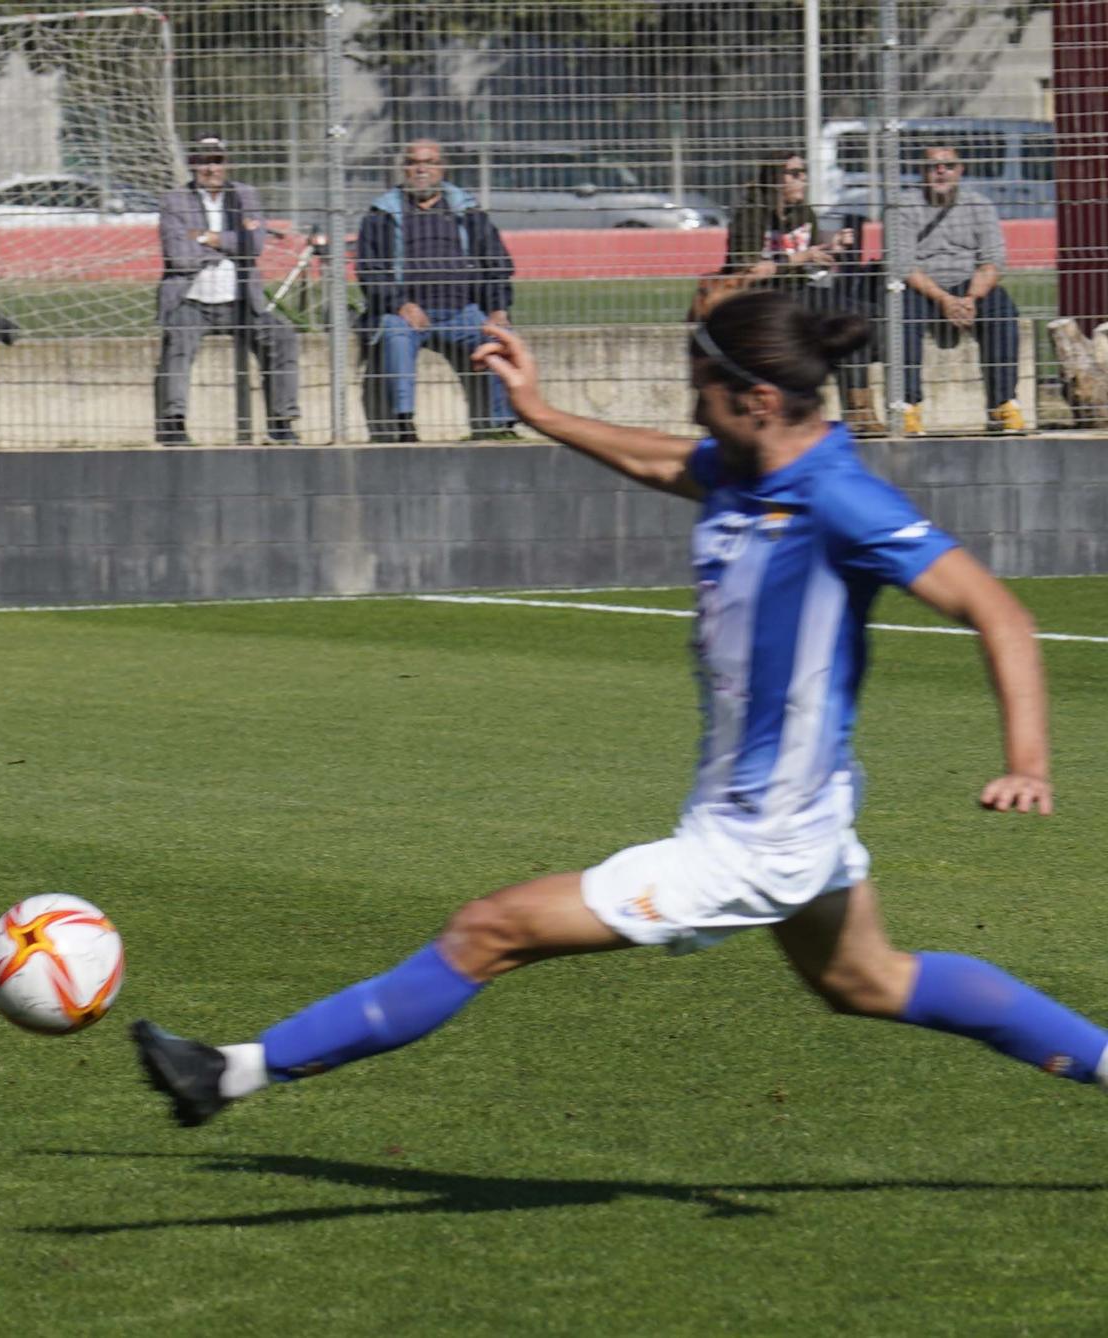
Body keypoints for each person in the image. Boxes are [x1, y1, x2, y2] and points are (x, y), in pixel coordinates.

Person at [134, 288, 1104, 1134]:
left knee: (486, 930)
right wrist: (540, 412)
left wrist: (1027, 760)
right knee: (867, 981)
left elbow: (997, 611)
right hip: (791, 815)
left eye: (700, 391)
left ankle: (229, 1073)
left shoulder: (836, 499)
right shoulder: (746, 466)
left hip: (753, 843)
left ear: (758, 401)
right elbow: (659, 463)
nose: (689, 410)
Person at [707, 152, 883, 437]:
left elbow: (809, 257)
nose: (802, 180)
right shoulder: (752, 213)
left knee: (853, 317)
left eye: (803, 173)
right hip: (758, 299)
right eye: (794, 174)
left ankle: (859, 408)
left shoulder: (804, 213)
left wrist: (831, 248)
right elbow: (749, 272)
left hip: (798, 292)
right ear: (775, 179)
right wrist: (800, 258)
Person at [356, 140, 519, 443]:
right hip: (407, 314)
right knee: (394, 333)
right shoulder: (381, 215)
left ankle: (502, 424)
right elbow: (369, 270)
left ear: (442, 168)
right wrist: (399, 303)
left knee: (503, 336)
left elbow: (497, 264)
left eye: (429, 162)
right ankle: (404, 424)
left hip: (463, 312)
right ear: (404, 168)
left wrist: (498, 309)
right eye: (414, 163)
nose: (421, 169)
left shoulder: (469, 213)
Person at [154, 135, 301, 447]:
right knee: (178, 340)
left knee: (282, 336)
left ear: (226, 163)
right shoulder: (174, 200)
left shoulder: (245, 196)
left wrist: (205, 238)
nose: (210, 168)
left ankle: (281, 421)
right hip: (191, 298)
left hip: (242, 300)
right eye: (203, 160)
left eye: (217, 160)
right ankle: (173, 423)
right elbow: (178, 255)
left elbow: (255, 245)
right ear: (192, 164)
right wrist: (231, 242)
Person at [897, 144, 1024, 436]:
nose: (941, 172)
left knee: (1003, 310)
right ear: (922, 171)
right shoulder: (904, 206)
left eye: (949, 165)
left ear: (960, 170)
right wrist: (943, 299)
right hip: (924, 285)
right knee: (901, 312)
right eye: (933, 166)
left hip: (969, 284)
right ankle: (907, 406)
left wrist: (970, 299)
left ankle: (1003, 403)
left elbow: (992, 261)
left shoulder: (979, 205)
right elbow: (903, 264)